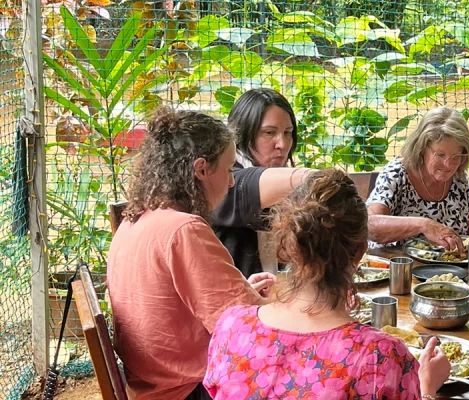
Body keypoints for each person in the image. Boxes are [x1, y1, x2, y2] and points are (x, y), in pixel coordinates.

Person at [204, 168, 451, 399]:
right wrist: (426, 388)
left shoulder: (231, 326)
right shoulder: (381, 356)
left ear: (289, 244)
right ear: (360, 252)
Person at [107, 107, 276, 400]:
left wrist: (242, 292)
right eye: (227, 170)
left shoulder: (136, 220)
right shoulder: (184, 228)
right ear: (200, 169)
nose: (233, 181)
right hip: (188, 390)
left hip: (150, 383)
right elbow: (249, 331)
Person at [210, 88, 317, 277]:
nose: (282, 144)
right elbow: (246, 186)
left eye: (288, 133)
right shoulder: (222, 178)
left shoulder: (282, 177)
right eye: (269, 132)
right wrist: (319, 178)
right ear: (242, 134)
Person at [367, 106, 469, 250]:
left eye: (456, 156)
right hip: (396, 268)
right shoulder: (396, 174)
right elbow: (370, 227)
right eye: (440, 155)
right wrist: (424, 225)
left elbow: (468, 234)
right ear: (421, 148)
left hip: (450, 271)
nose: (448, 165)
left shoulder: (460, 179)